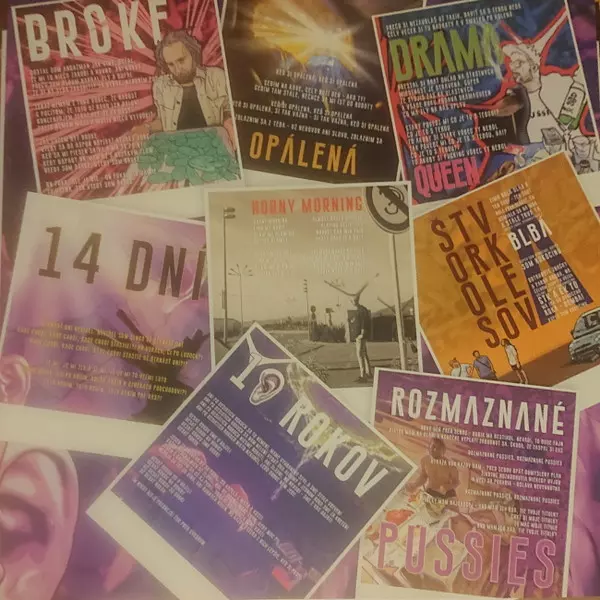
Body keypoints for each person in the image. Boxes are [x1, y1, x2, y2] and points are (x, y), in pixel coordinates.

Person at [137, 30, 234, 140]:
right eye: (171, 64)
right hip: (177, 147)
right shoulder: (161, 85)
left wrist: (228, 123)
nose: (178, 69)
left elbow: (228, 111)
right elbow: (162, 122)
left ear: (193, 54)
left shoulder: (216, 76)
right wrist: (147, 127)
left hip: (213, 145)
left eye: (181, 60)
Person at [349, 295, 372, 383]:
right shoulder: (359, 310)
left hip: (360, 336)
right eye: (352, 301)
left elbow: (364, 322)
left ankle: (363, 376)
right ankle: (368, 373)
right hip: (359, 335)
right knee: (364, 354)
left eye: (353, 300)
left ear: (356, 300)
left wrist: (362, 333)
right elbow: (359, 321)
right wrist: (352, 321)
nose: (352, 302)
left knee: (360, 354)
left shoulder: (362, 310)